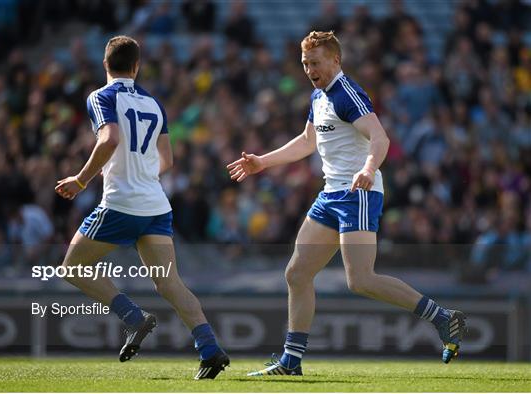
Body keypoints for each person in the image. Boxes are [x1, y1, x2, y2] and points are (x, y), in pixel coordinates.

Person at [227, 31, 466, 375]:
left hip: (358, 193)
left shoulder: (346, 93)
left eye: (316, 62)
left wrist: (369, 168)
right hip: (330, 194)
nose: (310, 69)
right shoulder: (318, 95)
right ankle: (290, 361)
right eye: (305, 63)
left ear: (335, 61)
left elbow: (380, 137)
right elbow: (307, 141)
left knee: (360, 280)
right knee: (296, 273)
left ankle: (443, 318)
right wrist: (262, 162)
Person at [55, 35, 229, 380]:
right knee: (169, 283)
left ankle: (133, 317)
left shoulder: (99, 97)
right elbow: (168, 160)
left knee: (72, 267)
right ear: (137, 67)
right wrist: (144, 171)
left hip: (120, 203)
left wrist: (80, 179)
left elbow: (110, 139)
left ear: (106, 64)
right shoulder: (154, 103)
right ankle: (210, 349)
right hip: (155, 205)